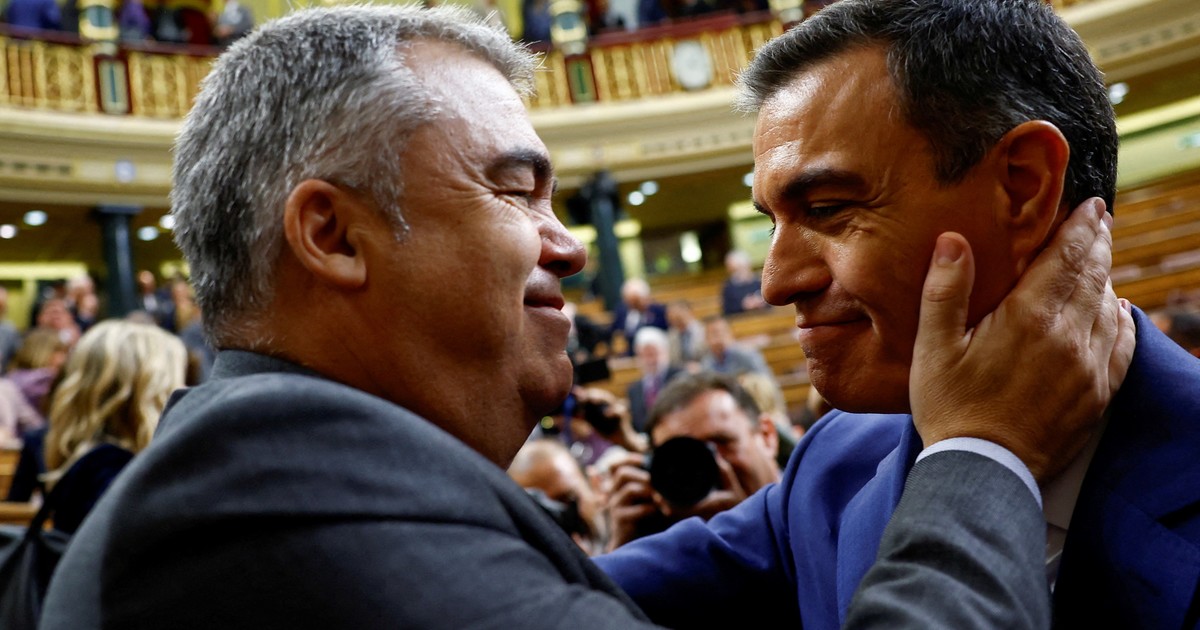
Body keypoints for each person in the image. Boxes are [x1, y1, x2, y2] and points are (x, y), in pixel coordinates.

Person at [40, 5, 1133, 629]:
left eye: (832, 207)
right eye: (517, 191)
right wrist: (984, 453)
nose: (570, 247)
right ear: (332, 235)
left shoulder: (829, 475)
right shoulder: (269, 487)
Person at [597, 1, 1177, 628]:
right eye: (771, 223)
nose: (775, 284)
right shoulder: (835, 465)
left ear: (1023, 185)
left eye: (826, 209)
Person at [41, 321, 187, 533]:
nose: (185, 390)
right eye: (178, 380)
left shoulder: (91, 459)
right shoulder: (114, 471)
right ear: (150, 392)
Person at [607, 372, 780, 549]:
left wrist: (749, 530)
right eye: (681, 459)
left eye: (719, 444)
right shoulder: (666, 544)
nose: (705, 468)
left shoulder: (799, 508)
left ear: (767, 436)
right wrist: (624, 549)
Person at [626, 327, 681, 433]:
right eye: (644, 355)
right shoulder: (634, 390)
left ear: (665, 352)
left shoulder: (680, 378)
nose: (649, 360)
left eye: (653, 354)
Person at [699, 315, 773, 379]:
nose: (719, 336)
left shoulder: (745, 353)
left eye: (721, 332)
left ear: (729, 333)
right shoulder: (707, 360)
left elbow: (765, 381)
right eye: (713, 333)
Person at [609, 277, 668, 355]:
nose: (632, 304)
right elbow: (614, 332)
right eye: (628, 301)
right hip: (628, 354)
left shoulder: (658, 311)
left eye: (635, 301)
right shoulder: (621, 311)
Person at [720, 249, 766, 315]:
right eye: (736, 270)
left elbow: (771, 304)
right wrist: (743, 305)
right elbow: (727, 310)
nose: (741, 272)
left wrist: (760, 302)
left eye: (743, 268)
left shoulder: (759, 282)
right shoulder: (728, 287)